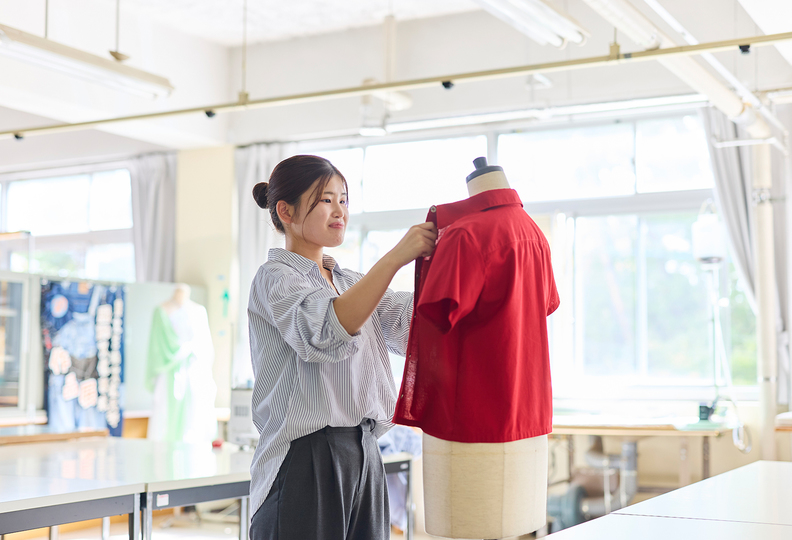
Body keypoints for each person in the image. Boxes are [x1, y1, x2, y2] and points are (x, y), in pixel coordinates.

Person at [246, 154, 437, 540]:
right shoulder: (275, 278)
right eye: (326, 200)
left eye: (344, 200)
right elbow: (326, 328)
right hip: (304, 457)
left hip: (364, 450)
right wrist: (397, 256)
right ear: (285, 211)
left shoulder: (349, 281)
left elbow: (409, 323)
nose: (340, 211)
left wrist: (450, 264)